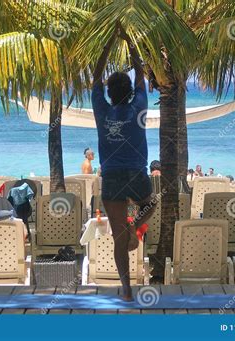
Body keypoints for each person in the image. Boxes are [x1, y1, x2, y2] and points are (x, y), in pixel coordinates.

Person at [92, 26, 156, 301]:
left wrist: (106, 45)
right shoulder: (138, 106)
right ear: (129, 91)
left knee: (119, 237)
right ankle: (134, 226)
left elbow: (95, 77)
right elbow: (140, 75)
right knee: (151, 204)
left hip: (112, 177)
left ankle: (127, 289)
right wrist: (130, 44)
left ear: (109, 93)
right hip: (136, 174)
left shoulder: (101, 110)